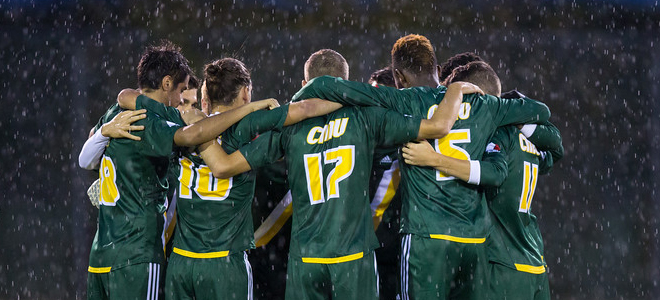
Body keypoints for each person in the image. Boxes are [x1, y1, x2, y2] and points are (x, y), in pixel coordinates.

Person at [290, 34, 552, 300]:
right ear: (437, 70)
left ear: (398, 78)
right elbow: (541, 113)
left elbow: (344, 91)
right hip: (473, 240)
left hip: (425, 237)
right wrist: (501, 104)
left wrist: (299, 103)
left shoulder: (407, 101)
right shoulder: (484, 105)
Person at [206, 49, 483, 300]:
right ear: (346, 83)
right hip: (354, 255)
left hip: (306, 257)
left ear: (305, 85)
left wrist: (199, 136)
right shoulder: (367, 117)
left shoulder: (288, 127)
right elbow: (436, 127)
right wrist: (456, 92)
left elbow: (225, 166)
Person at [81, 41, 278, 300]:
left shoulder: (116, 111)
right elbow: (197, 138)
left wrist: (105, 132)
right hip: (141, 252)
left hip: (113, 252)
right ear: (166, 84)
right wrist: (251, 109)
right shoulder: (159, 123)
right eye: (182, 92)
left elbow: (85, 159)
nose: (182, 103)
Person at [402, 60, 564, 300]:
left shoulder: (495, 134)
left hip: (501, 265)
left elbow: (494, 174)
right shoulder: (522, 136)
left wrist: (434, 158)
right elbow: (556, 149)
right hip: (533, 260)